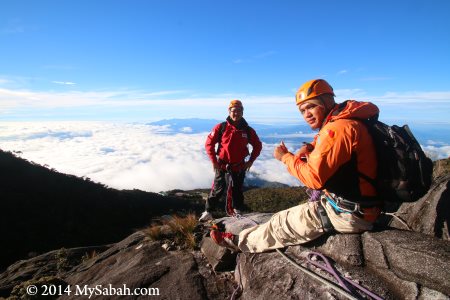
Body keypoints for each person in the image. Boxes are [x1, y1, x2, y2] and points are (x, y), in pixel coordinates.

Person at [210, 79, 383, 252]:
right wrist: (309, 147)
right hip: (361, 206)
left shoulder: (337, 129)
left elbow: (314, 179)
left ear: (327, 101)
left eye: (311, 106)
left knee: (279, 224)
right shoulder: (347, 121)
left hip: (347, 214)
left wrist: (285, 157)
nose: (306, 114)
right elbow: (330, 143)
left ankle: (238, 242)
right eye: (302, 110)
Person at [199, 100, 262, 222]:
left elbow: (258, 145)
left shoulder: (248, 130)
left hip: (239, 166)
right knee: (218, 189)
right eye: (234, 111)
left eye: (239, 111)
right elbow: (209, 144)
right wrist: (214, 161)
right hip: (222, 164)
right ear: (229, 111)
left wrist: (251, 161)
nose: (236, 113)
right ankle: (208, 211)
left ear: (242, 112)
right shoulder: (221, 127)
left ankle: (237, 210)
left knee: (237, 189)